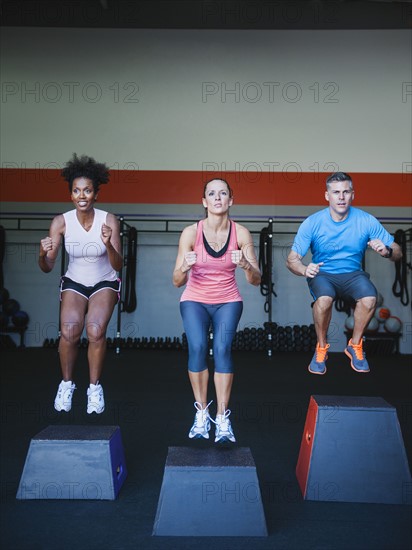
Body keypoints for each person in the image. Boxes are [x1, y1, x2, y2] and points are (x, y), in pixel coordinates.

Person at [286, 171, 402, 375]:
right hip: (323, 273)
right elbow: (291, 260)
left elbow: (398, 252)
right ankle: (322, 346)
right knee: (324, 300)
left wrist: (387, 251)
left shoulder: (366, 220)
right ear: (326, 195)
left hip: (353, 274)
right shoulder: (313, 222)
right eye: (336, 192)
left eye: (346, 192)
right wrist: (305, 269)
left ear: (353, 195)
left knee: (369, 298)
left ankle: (355, 344)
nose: (341, 197)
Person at [173, 178, 261, 443]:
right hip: (195, 300)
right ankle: (201, 414)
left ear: (231, 201)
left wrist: (245, 264)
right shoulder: (191, 233)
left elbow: (256, 279)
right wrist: (184, 268)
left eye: (223, 193)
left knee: (222, 349)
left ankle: (222, 417)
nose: (218, 197)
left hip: (228, 301)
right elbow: (176, 280)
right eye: (212, 193)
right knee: (198, 347)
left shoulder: (241, 234)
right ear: (204, 202)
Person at [39, 154, 123, 414]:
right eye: (76, 191)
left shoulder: (109, 220)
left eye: (87, 190)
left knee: (95, 330)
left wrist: (108, 243)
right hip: (75, 281)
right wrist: (42, 253)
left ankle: (94, 388)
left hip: (104, 281)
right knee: (69, 332)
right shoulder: (61, 222)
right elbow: (47, 267)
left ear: (96, 194)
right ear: (71, 195)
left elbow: (118, 265)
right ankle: (66, 384)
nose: (82, 195)